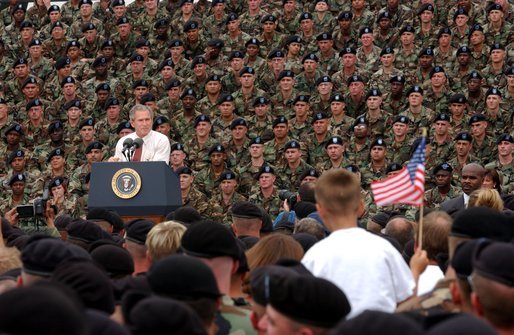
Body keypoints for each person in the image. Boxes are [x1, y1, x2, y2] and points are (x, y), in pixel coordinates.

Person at [301, 169, 414, 318]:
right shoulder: (385, 249)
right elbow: (407, 299)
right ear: (361, 207)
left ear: (320, 210)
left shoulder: (314, 257)